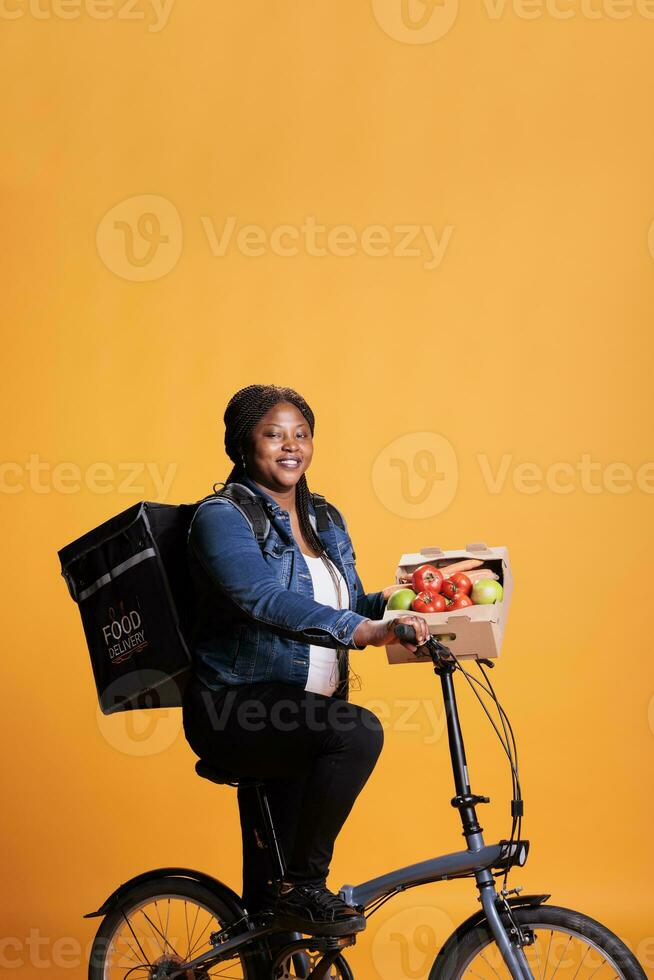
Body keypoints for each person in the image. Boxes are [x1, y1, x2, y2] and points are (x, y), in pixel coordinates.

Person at [181, 384, 429, 940]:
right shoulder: (220, 517)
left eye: (302, 434)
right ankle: (306, 887)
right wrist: (361, 629)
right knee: (357, 733)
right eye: (274, 434)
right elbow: (261, 598)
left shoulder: (323, 517)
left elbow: (347, 604)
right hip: (234, 709)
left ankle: (285, 908)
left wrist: (409, 606)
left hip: (303, 715)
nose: (291, 446)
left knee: (274, 918)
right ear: (243, 445)